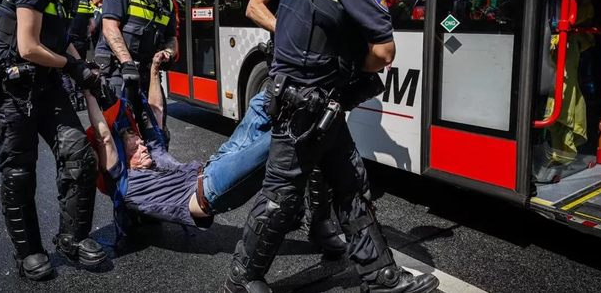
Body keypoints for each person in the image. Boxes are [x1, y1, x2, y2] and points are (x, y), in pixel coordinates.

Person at [223, 0, 440, 293]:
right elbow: (384, 53)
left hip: (306, 98)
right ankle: (242, 279)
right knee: (281, 197)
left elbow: (294, 29)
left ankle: (380, 277)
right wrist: (356, 63)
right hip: (309, 106)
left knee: (351, 183)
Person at [88, 51, 385, 231]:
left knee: (260, 102)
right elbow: (104, 138)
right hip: (211, 190)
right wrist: (88, 86)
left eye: (139, 143)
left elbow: (156, 111)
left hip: (216, 164)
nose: (142, 145)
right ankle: (348, 93)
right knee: (286, 136)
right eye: (135, 147)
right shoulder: (125, 184)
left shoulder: (153, 156)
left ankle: (329, 73)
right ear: (119, 161)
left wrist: (153, 70)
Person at [0, 0, 106, 281]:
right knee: (20, 175)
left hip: (46, 87)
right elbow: (28, 47)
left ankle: (72, 239)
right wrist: (72, 67)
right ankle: (28, 252)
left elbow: (58, 36)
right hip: (11, 94)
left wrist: (84, 69)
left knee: (79, 156)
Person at [246, 0, 345, 257]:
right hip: (291, 72)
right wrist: (287, 34)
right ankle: (264, 241)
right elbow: (254, 7)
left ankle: (321, 225)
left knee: (322, 155)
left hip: (322, 71)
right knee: (288, 157)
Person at [93, 0, 183, 146]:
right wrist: (127, 63)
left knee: (159, 135)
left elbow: (171, 38)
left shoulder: (167, 3)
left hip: (146, 77)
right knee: (122, 139)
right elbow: (110, 28)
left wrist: (168, 52)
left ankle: (156, 177)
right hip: (119, 73)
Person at [62, 0, 94, 110]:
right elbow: (92, 25)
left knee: (64, 71)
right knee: (80, 68)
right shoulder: (86, 2)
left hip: (67, 42)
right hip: (81, 42)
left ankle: (71, 97)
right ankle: (80, 96)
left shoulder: (65, 0)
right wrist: (86, 35)